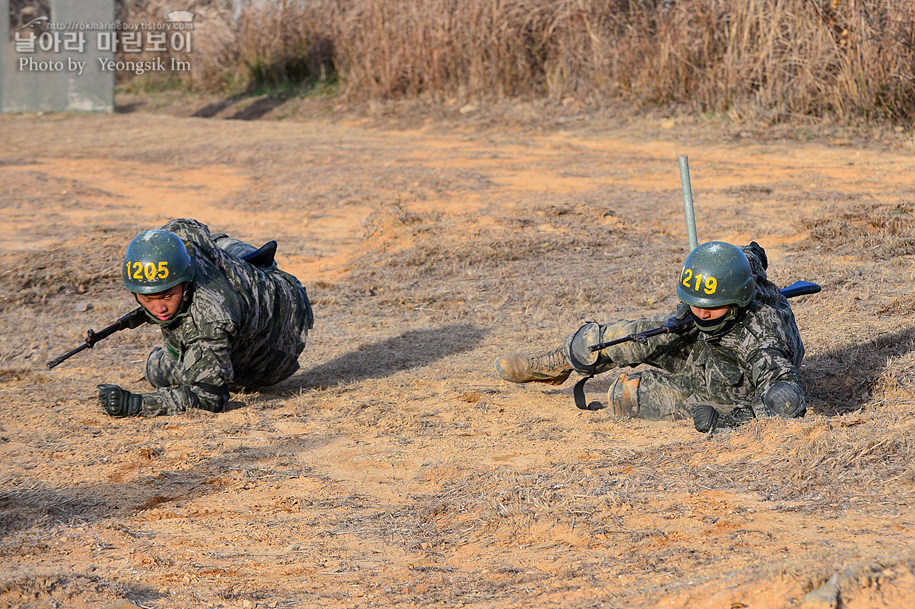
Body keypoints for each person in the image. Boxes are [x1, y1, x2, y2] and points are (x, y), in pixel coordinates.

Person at [495, 241, 806, 432]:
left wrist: (725, 422)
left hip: (725, 384)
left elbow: (786, 403)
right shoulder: (732, 274)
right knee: (631, 336)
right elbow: (745, 255)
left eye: (710, 306)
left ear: (738, 299)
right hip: (701, 343)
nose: (701, 312)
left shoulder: (762, 344)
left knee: (625, 395)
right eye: (695, 303)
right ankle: (559, 361)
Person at [97, 218, 314, 417]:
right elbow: (189, 228)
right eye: (147, 299)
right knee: (219, 243)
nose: (159, 308)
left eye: (167, 296)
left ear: (184, 280)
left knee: (157, 368)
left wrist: (136, 404)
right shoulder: (176, 240)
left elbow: (210, 397)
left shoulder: (211, 320)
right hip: (268, 288)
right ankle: (249, 274)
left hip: (279, 342)